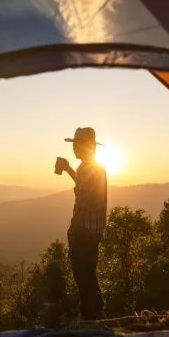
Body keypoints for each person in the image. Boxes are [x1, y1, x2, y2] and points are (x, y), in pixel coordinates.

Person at [55, 127, 107, 321]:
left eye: (77, 145)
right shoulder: (93, 168)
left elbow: (84, 202)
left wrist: (73, 231)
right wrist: (68, 169)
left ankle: (87, 316)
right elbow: (84, 188)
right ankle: (97, 309)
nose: (74, 148)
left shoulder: (87, 169)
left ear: (86, 147)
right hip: (95, 230)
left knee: (82, 273)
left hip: (84, 230)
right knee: (89, 272)